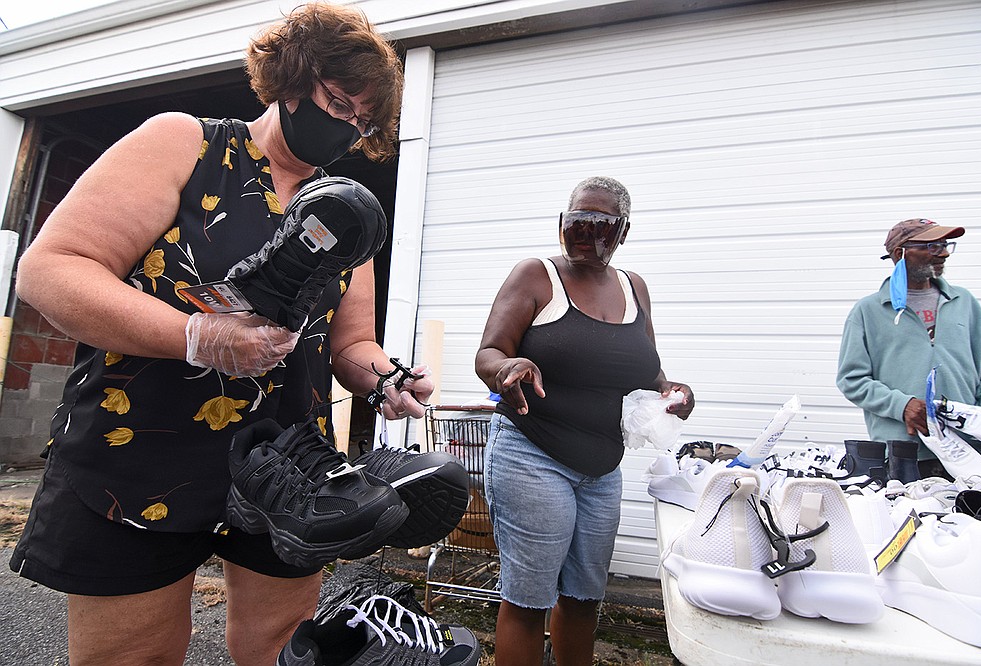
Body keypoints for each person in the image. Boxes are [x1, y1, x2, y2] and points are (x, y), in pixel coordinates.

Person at [8, 5, 432, 665]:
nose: (347, 129)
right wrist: (197, 337)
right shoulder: (188, 144)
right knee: (134, 655)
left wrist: (386, 379)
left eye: (363, 122)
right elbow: (51, 271)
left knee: (280, 649)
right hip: (140, 449)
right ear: (293, 79)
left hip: (285, 467)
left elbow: (350, 345)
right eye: (340, 104)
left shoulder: (347, 213)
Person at [474, 176, 695, 666]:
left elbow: (645, 367)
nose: (584, 232)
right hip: (533, 457)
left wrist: (671, 390)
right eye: (576, 221)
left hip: (601, 470)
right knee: (530, 601)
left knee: (583, 597)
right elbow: (488, 352)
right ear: (561, 224)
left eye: (601, 223)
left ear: (623, 231)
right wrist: (508, 366)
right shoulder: (535, 276)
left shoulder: (634, 287)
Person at [836, 217, 981, 479]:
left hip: (974, 451)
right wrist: (903, 406)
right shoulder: (868, 311)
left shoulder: (963, 302)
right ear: (900, 253)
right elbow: (852, 380)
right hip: (908, 456)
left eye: (945, 245)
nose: (944, 252)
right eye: (932, 246)